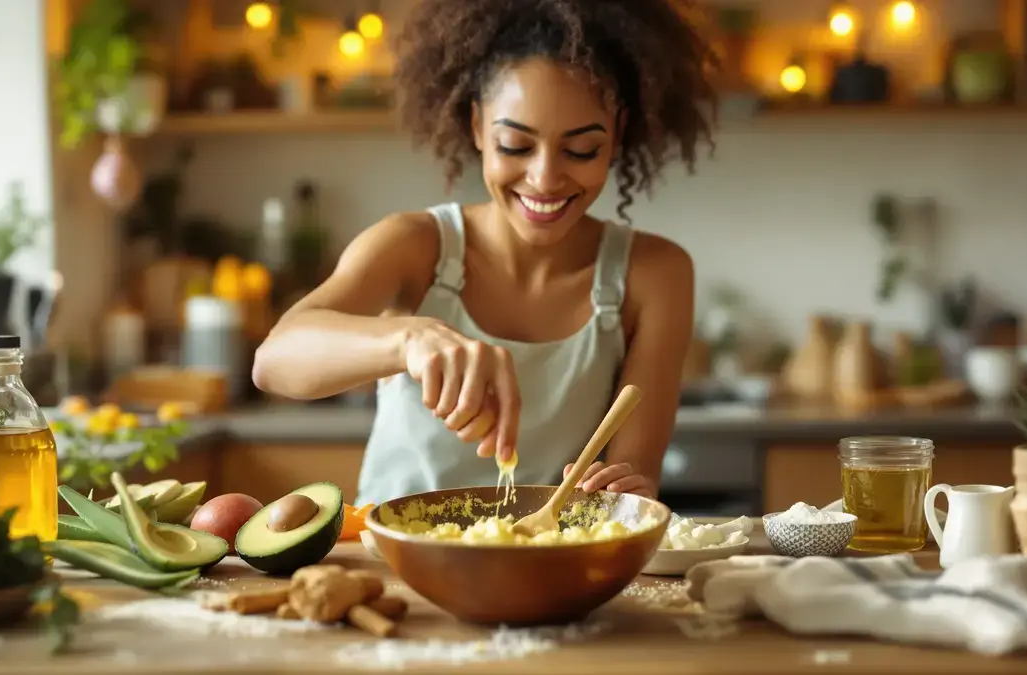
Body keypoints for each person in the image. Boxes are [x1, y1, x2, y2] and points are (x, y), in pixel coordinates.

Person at [252, 0, 718, 507]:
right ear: (477, 128)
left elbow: (635, 477)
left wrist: (627, 490)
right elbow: (274, 362)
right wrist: (409, 339)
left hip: (547, 565)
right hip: (393, 563)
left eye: (580, 150)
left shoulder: (655, 274)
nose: (544, 178)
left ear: (618, 134)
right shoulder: (415, 244)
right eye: (516, 145)